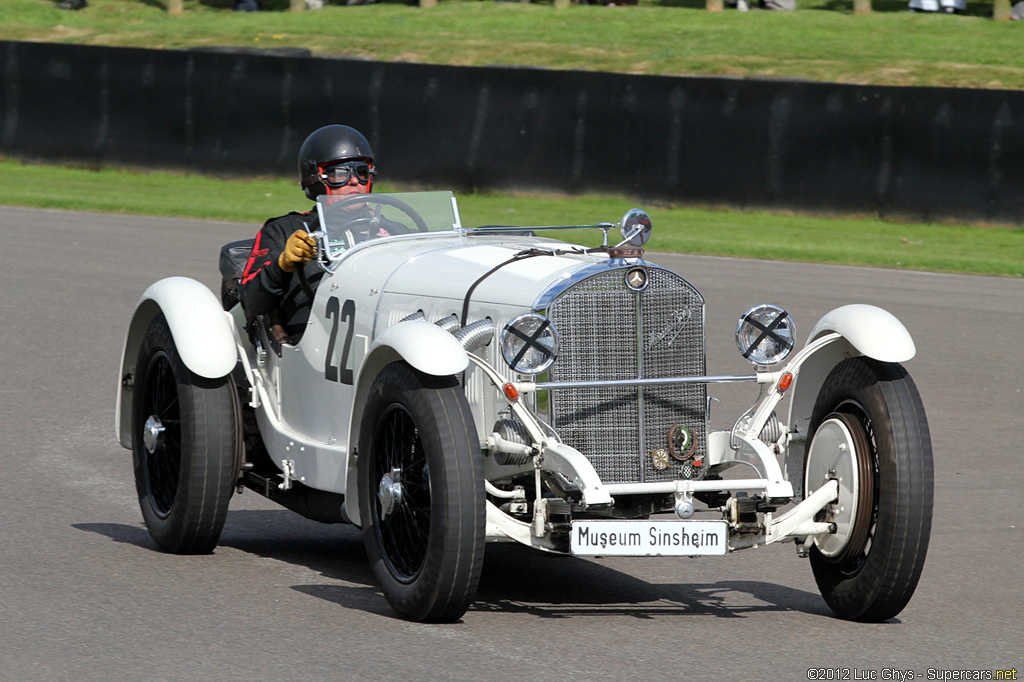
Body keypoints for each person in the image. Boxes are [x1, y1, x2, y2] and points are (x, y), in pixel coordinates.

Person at [238, 124, 377, 343]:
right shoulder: (285, 229)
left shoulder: (394, 230)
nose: (353, 181)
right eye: (339, 173)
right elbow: (252, 302)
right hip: (313, 345)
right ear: (316, 180)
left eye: (361, 172)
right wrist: (282, 264)